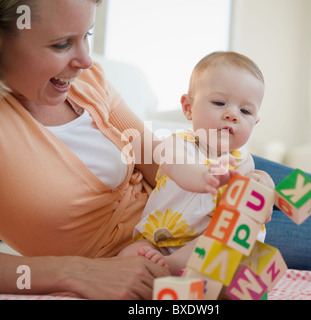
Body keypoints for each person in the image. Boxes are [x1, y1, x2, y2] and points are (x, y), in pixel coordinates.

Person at [0, 0, 274, 299]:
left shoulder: (88, 80)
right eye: (62, 44)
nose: (86, 60)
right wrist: (79, 272)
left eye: (87, 35)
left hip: (191, 193)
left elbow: (157, 158)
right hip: (155, 236)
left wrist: (249, 185)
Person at [118, 51, 273, 275]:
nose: (232, 114)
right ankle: (171, 269)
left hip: (205, 242)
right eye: (220, 102)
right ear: (188, 107)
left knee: (230, 237)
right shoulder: (177, 143)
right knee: (128, 256)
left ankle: (174, 267)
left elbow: (248, 207)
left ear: (255, 122)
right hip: (158, 240)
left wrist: (263, 185)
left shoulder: (243, 161)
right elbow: (179, 168)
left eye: (245, 111)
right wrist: (205, 176)